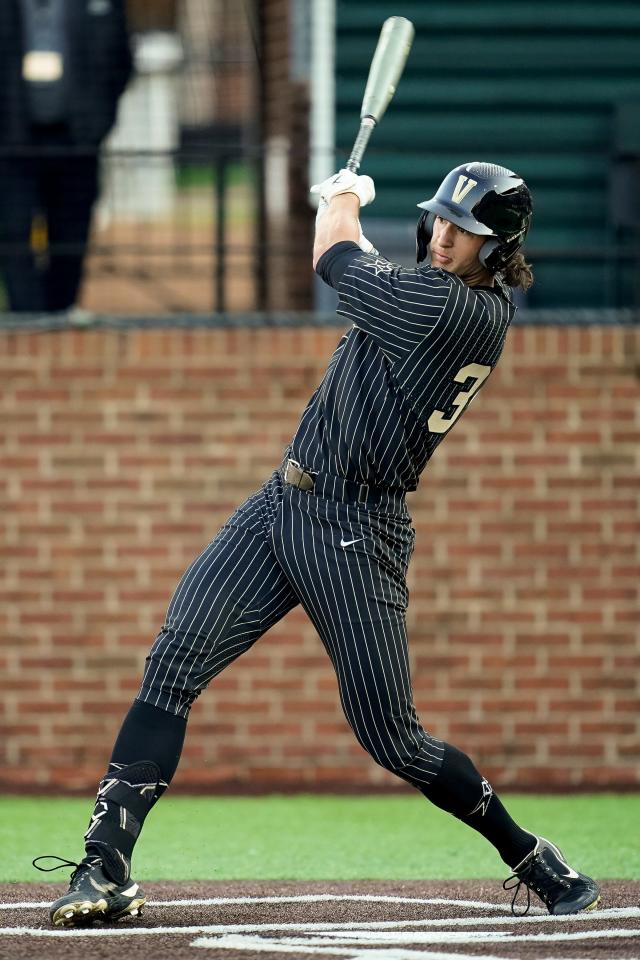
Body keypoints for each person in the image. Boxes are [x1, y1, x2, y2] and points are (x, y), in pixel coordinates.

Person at [34, 161, 600, 925]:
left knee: (393, 738)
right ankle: (103, 869)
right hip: (284, 501)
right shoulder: (426, 289)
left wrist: (341, 197)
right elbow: (356, 261)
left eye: (464, 231)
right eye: (441, 220)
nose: (443, 237)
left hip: (356, 528)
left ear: (498, 247)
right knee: (172, 664)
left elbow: (335, 258)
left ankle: (533, 858)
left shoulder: (455, 313)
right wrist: (343, 213)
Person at [0, 0, 132, 312]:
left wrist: (98, 123)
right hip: (12, 143)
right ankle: (27, 317)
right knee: (13, 231)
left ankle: (61, 315)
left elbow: (120, 61)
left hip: (77, 141)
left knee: (70, 234)